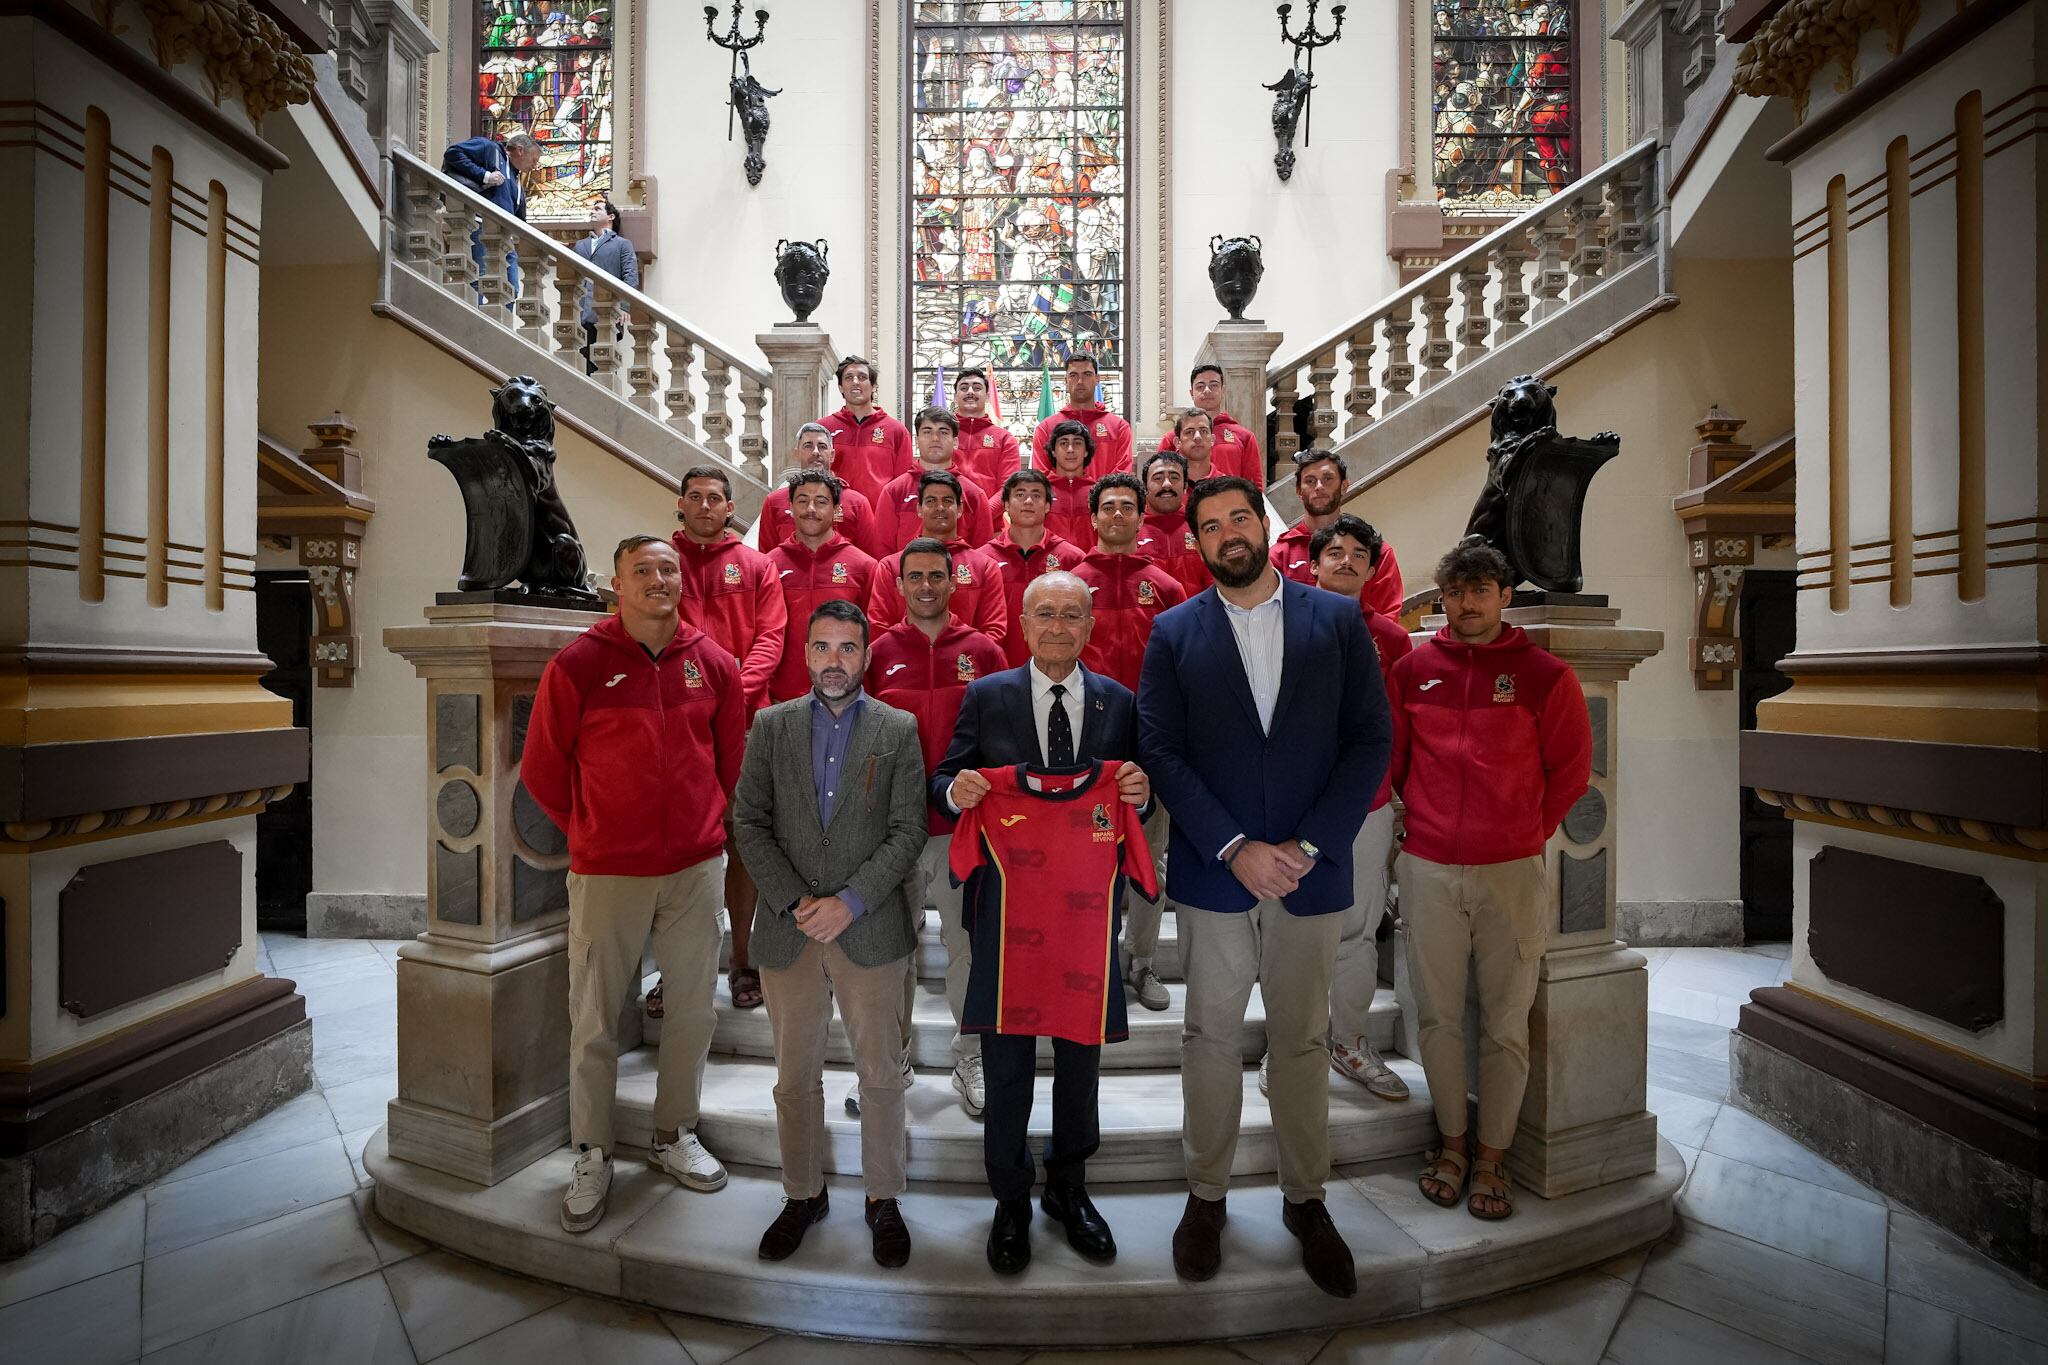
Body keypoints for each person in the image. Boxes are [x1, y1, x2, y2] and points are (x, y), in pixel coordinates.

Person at [1137, 476, 1391, 1299]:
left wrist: (1309, 843)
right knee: (1208, 1037)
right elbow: (1163, 750)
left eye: (1239, 517)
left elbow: (1369, 740)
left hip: (1313, 876)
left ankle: (1305, 1199)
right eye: (1210, 526)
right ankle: (1205, 1196)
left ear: (1262, 525)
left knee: (1302, 1040)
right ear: (1198, 544)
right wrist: (1236, 845)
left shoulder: (1339, 620)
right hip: (1218, 874)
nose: (1228, 534)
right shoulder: (1173, 632)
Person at [522, 536, 743, 1234]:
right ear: (615, 584)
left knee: (693, 1012)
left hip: (693, 868)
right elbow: (541, 771)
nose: (657, 580)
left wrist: (704, 828)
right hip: (608, 870)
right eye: (641, 570)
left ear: (683, 581)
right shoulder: (579, 665)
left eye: (666, 570)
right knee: (593, 1017)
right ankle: (592, 1149)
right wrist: (592, 827)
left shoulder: (714, 665)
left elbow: (732, 767)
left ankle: (672, 1132)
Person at [933, 571, 1152, 1274]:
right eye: (1045, 614)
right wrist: (956, 787)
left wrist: (1142, 795)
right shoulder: (986, 694)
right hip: (1004, 910)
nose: (1058, 626)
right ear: (1022, 625)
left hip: (1087, 915)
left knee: (1081, 1058)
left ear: (1090, 628)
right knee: (1006, 1063)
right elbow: (943, 778)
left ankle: (1068, 1185)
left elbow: (1136, 795)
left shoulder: (1120, 701)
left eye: (1072, 615)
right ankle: (1010, 1197)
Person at [1390, 542, 1590, 1221]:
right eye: (1455, 590)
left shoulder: (1545, 676)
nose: (1467, 602)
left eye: (1481, 589)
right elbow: (1395, 760)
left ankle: (1492, 1157)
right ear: (1441, 598)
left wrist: (1522, 834)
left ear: (1507, 595)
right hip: (1428, 867)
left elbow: (1568, 770)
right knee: (1441, 1018)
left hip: (1511, 872)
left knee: (1505, 1024)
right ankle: (1451, 1143)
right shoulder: (1414, 670)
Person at [730, 600, 929, 1268]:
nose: (835, 660)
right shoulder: (771, 725)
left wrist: (849, 900)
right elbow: (749, 822)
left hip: (869, 930)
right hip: (789, 932)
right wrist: (794, 899)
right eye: (822, 647)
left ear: (867, 655)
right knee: (794, 1076)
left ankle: (883, 1197)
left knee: (879, 1074)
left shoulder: (898, 729)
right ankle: (801, 1191)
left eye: (848, 647)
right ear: (806, 653)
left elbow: (909, 830)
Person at [1251, 514, 1414, 1101]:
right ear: (1311, 563)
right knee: (1289, 931)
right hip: (1290, 805)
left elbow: (1397, 729)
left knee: (1357, 929)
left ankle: (1347, 1041)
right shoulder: (1275, 624)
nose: (1345, 561)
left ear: (1373, 570)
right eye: (1334, 552)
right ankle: (1287, 1043)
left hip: (1364, 808)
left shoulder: (1391, 641)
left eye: (1358, 555)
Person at [867, 538, 1008, 1116]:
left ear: (955, 582)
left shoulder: (983, 651)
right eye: (914, 577)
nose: (925, 585)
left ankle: (970, 1053)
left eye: (936, 576)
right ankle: (889, 1059)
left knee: (965, 945)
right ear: (899, 586)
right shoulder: (876, 653)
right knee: (886, 951)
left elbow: (1003, 740)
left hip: (960, 830)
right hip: (889, 832)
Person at [671, 466, 788, 1013]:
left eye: (714, 497)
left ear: (729, 507)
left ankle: (744, 961)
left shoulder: (756, 565)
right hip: (679, 727)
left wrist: (734, 694)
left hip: (744, 723)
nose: (704, 505)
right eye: (693, 496)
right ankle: (676, 971)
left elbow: (772, 635)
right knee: (682, 848)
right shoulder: (662, 565)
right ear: (681, 505)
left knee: (744, 845)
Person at [764, 469, 878, 704]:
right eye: (802, 501)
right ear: (791, 508)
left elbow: (873, 637)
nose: (811, 509)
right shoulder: (768, 565)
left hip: (847, 699)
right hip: (783, 698)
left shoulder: (865, 566)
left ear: (836, 510)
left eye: (821, 501)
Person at [866, 472, 1007, 645]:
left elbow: (994, 630)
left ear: (960, 509)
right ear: (919, 509)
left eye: (947, 501)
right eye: (931, 501)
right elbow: (879, 629)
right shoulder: (890, 566)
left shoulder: (985, 567)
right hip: (907, 667)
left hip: (966, 668)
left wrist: (958, 659)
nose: (939, 507)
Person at [1272, 451, 1405, 617]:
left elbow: (1386, 623)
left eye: (1327, 478)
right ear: (1299, 491)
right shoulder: (1279, 555)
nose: (1319, 486)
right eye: (1310, 481)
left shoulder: (1377, 552)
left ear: (1344, 486)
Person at [983, 469, 1083, 669]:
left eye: (1036, 495)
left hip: (1057, 670)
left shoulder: (1074, 559)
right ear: (1006, 505)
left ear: (1047, 506)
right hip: (998, 670)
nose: (1028, 501)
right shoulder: (983, 560)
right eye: (1020, 494)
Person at [754, 422, 888, 560]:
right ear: (797, 453)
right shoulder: (774, 502)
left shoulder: (857, 503)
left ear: (832, 455)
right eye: (808, 446)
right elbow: (766, 561)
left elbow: (871, 559)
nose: (816, 452)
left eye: (822, 446)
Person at [877, 407, 995, 550]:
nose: (935, 438)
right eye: (927, 432)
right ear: (917, 440)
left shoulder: (974, 495)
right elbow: (882, 552)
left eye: (943, 432)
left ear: (956, 442)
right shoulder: (894, 491)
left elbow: (981, 557)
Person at [441, 131, 539, 300]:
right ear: (520, 150)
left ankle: (503, 326)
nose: (535, 165)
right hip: (482, 227)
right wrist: (485, 175)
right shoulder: (489, 148)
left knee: (511, 288)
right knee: (478, 279)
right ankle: (475, 319)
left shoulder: (516, 180)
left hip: (505, 238)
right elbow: (453, 154)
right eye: (534, 160)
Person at [821, 355, 916, 506]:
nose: (855, 382)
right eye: (849, 377)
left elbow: (904, 484)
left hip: (879, 518)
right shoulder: (823, 429)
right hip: (833, 517)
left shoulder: (896, 431)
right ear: (840, 387)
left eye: (862, 377)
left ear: (873, 386)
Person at [1156, 363, 1263, 485]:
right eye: (1200, 386)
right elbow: (1159, 481)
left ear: (1223, 390)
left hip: (1229, 502)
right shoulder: (1172, 438)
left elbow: (1254, 487)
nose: (1207, 391)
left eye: (1214, 385)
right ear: (1192, 393)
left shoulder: (1244, 437)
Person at [1031, 354, 1133, 474]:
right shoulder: (1046, 428)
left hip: (1106, 493)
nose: (1080, 381)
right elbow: (1040, 478)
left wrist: (1094, 492)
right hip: (1059, 493)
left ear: (1097, 379)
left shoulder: (1119, 427)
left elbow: (1122, 477)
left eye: (1087, 374)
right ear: (1066, 381)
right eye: (1073, 375)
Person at [1133, 449, 1211, 598]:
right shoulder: (1130, 529)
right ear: (1145, 487)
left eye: (1174, 478)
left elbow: (1214, 585)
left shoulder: (1201, 527)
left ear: (1184, 486)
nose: (1167, 485)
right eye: (1158, 478)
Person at [573, 197, 639, 374]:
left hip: (608, 313)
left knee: (604, 365)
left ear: (610, 216)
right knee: (581, 364)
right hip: (580, 312)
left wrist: (624, 306)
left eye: (597, 209)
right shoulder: (581, 245)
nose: (592, 212)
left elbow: (630, 276)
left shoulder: (622, 244)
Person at [952, 366, 1022, 490]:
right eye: (964, 388)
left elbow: (1008, 488)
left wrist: (984, 510)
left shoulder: (1005, 439)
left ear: (988, 396)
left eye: (977, 388)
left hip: (990, 509)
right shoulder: (944, 435)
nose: (970, 392)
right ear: (955, 396)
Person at [1041, 419, 1101, 549]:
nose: (1070, 449)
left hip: (1088, 564)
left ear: (1086, 451)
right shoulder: (1040, 490)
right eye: (1063, 443)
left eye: (1077, 443)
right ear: (1053, 451)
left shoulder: (1099, 492)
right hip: (1049, 565)